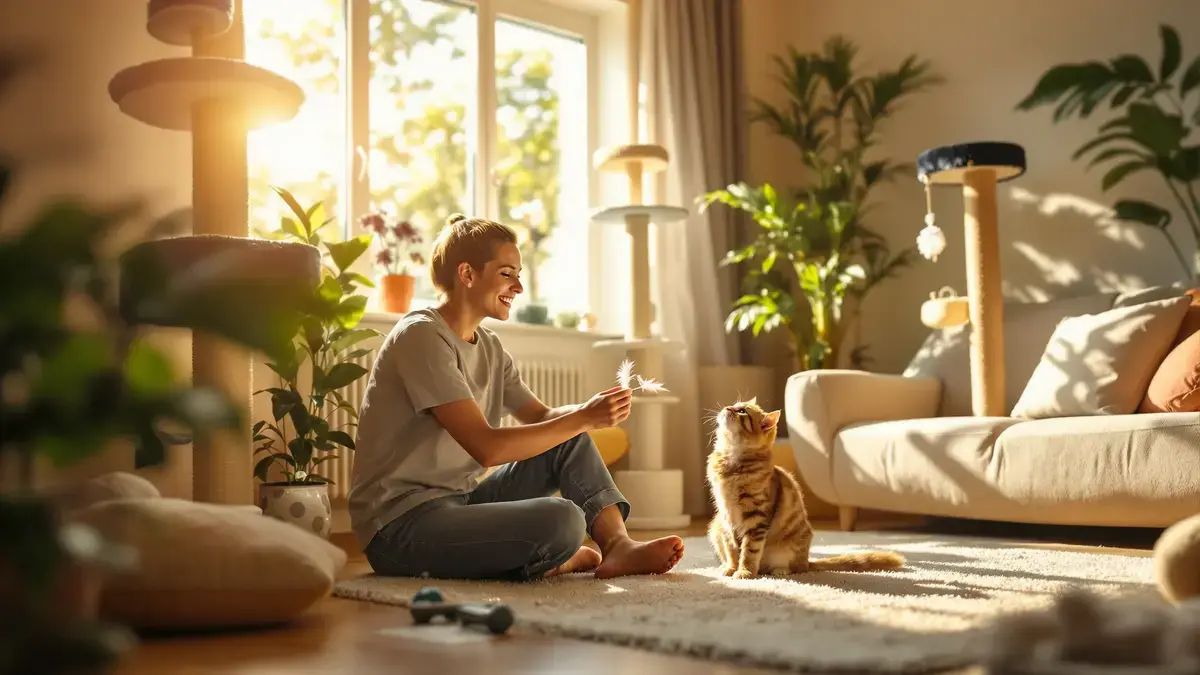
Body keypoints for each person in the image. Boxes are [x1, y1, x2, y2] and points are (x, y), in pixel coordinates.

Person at [348, 213, 685, 581]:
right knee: (564, 520)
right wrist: (584, 417)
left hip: (459, 502)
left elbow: (542, 417)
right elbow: (486, 447)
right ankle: (552, 559)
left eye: (519, 275)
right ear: (467, 274)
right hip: (399, 529)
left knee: (569, 439)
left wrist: (592, 410)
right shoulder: (421, 337)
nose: (519, 288)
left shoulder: (489, 347)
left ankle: (618, 547)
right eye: (507, 274)